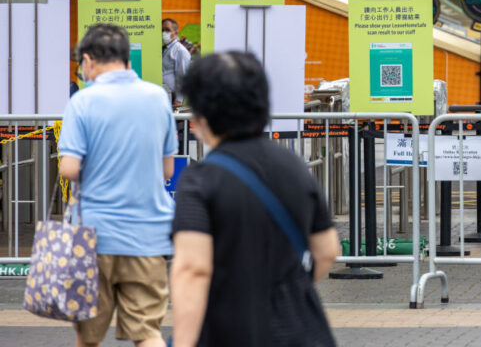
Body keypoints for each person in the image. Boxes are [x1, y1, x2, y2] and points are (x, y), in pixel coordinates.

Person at [171, 51, 339, 347]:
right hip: (298, 329)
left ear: (202, 114)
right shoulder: (294, 166)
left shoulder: (200, 180)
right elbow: (327, 251)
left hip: (227, 327)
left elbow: (192, 269)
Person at [58, 24, 177, 347]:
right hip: (149, 236)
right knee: (147, 333)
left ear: (88, 61)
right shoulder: (157, 98)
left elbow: (69, 167)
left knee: (88, 336)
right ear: (126, 58)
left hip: (94, 236)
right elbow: (167, 170)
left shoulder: (83, 101)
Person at [162, 18, 191, 106]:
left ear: (176, 32)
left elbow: (182, 76)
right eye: (162, 30)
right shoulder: (163, 49)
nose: (163, 33)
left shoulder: (180, 51)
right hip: (163, 94)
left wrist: (179, 100)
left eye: (167, 30)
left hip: (173, 97)